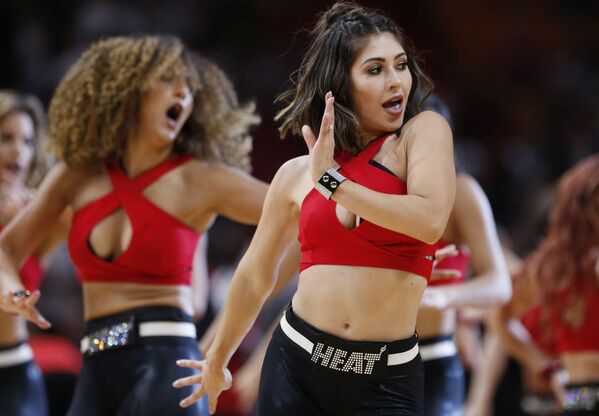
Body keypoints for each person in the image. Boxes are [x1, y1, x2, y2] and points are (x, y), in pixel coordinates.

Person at [173, 3, 456, 415]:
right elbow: (255, 275)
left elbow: (429, 221)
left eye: (401, 65)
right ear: (341, 85)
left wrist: (333, 183)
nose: (396, 81)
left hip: (386, 378)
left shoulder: (422, 134)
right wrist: (216, 361)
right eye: (375, 70)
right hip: (295, 365)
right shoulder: (296, 173)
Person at [0, 35, 268, 416]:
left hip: (167, 362)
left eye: (190, 89)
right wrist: (11, 291)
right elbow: (7, 249)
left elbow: (297, 211)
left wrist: (222, 338)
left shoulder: (199, 179)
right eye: (170, 80)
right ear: (127, 88)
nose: (184, 94)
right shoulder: (75, 175)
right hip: (96, 361)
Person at [414, 96, 512, 416]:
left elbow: (501, 286)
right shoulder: (370, 192)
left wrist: (445, 297)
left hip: (431, 359)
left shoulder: (461, 191)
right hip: (366, 358)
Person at [495, 155, 599, 415]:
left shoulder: (548, 267)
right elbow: (501, 318)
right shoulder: (553, 267)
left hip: (576, 394)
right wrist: (541, 364)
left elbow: (501, 320)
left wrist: (541, 364)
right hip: (581, 392)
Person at [0, 90, 57, 416]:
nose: (17, 150)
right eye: (6, 137)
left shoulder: (45, 214)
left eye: (27, 141)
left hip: (13, 367)